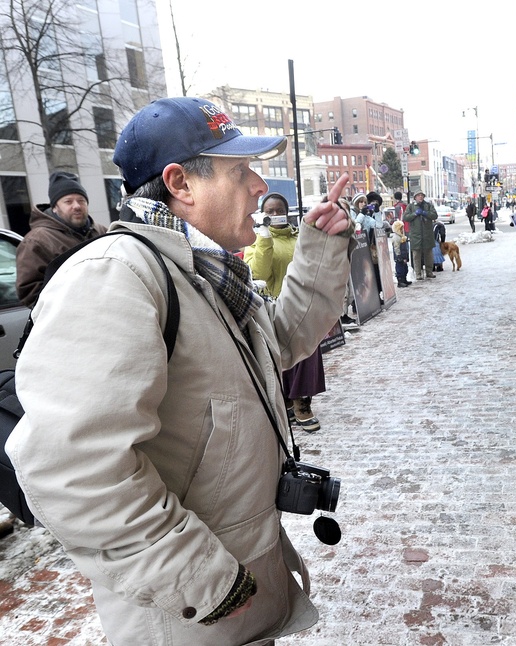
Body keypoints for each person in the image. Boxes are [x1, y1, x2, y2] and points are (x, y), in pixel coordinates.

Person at [7, 96, 355, 646]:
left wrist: (320, 249)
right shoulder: (116, 276)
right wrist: (202, 581)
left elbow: (279, 344)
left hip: (235, 590)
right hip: (187, 614)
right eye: (240, 171)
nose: (260, 186)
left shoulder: (204, 274)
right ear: (181, 184)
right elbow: (73, 469)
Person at [244, 192, 326, 433]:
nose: (275, 215)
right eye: (269, 211)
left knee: (306, 357)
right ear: (262, 213)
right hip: (274, 306)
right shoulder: (255, 240)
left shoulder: (299, 237)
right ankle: (288, 401)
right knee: (281, 358)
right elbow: (258, 272)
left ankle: (303, 403)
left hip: (304, 305)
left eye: (279, 210)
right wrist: (265, 236)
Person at [15, 171, 107, 307]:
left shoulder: (103, 232)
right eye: (68, 201)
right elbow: (30, 292)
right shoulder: (37, 241)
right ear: (55, 208)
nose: (76, 206)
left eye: (81, 200)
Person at [403, 189, 437, 280]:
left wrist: (426, 213)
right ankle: (418, 273)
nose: (420, 197)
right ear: (415, 197)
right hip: (416, 235)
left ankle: (429, 272)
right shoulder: (410, 207)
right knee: (416, 255)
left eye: (422, 195)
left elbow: (435, 215)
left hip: (427, 234)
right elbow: (405, 217)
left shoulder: (428, 205)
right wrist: (414, 214)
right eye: (418, 195)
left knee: (428, 254)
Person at [391, 220, 411, 286]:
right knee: (400, 269)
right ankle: (400, 281)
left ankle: (404, 279)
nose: (402, 230)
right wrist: (399, 256)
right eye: (401, 228)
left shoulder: (401, 236)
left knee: (405, 268)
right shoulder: (396, 237)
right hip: (399, 257)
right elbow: (396, 248)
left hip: (403, 255)